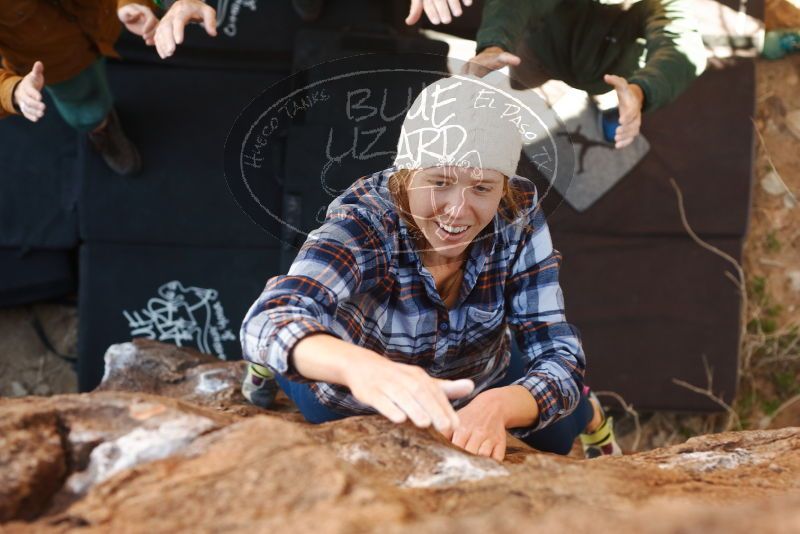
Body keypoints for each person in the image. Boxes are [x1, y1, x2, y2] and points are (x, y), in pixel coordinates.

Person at [240, 75, 621, 460]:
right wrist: (361, 369)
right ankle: (272, 359)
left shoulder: (517, 211)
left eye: (482, 188)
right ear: (406, 176)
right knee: (318, 400)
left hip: (477, 373)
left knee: (557, 434)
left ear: (503, 186)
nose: (458, 210)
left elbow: (558, 350)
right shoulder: (366, 223)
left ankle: (590, 413)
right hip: (368, 380)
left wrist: (498, 406)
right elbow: (266, 320)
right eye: (440, 181)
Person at [406, 0, 707, 149]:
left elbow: (681, 45)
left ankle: (616, 111)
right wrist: (495, 43)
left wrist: (643, 92)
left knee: (619, 104)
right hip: (539, 52)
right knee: (519, 81)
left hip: (608, 78)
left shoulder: (663, 5)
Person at [0, 0, 163, 176]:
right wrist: (11, 90)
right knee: (83, 105)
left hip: (104, 26)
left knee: (97, 73)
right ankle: (99, 127)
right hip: (58, 66)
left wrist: (130, 2)